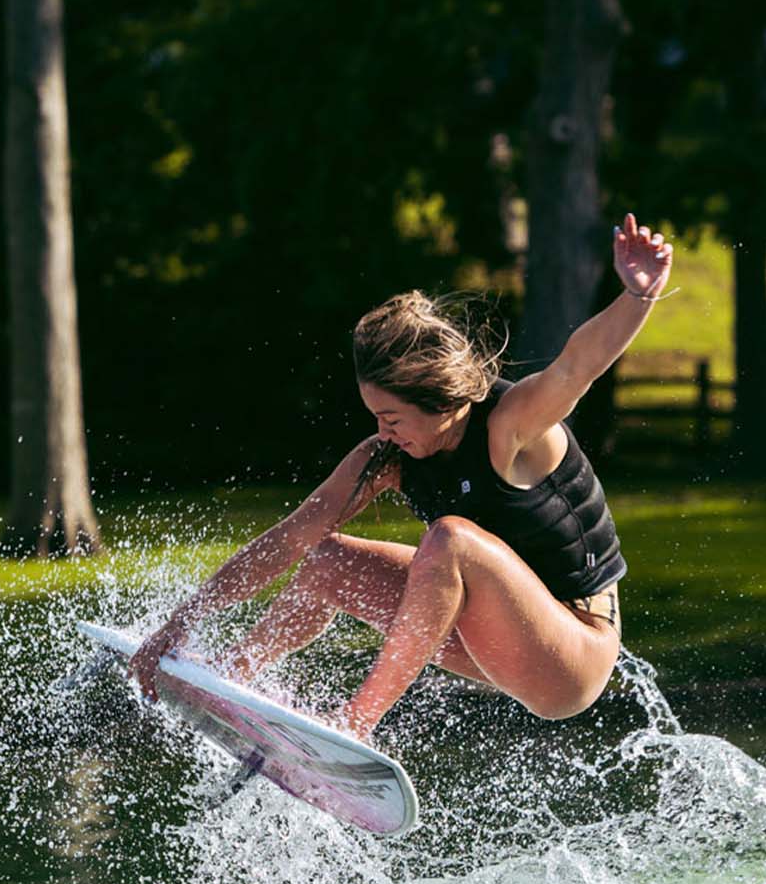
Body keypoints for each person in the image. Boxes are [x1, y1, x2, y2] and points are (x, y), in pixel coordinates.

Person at [129, 212, 673, 741]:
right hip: (487, 635)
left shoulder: (511, 426)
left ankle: (357, 723)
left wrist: (638, 297)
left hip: (572, 656)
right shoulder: (386, 455)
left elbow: (576, 368)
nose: (383, 433)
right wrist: (180, 622)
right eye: (374, 418)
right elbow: (292, 537)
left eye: (391, 418)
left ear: (437, 402)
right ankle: (233, 677)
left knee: (450, 539)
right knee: (326, 559)